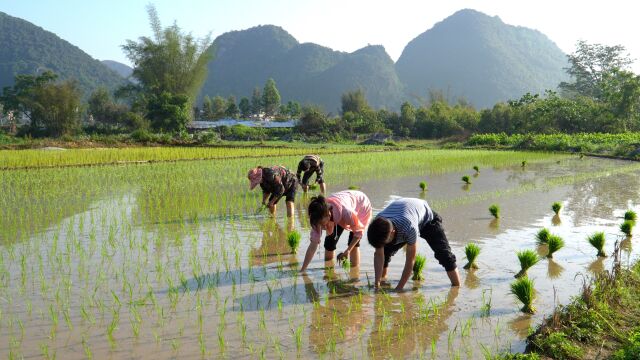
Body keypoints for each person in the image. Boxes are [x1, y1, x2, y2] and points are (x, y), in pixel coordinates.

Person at [367, 198, 460, 291]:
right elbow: (379, 254)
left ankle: (457, 288)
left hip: (427, 220)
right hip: (402, 213)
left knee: (444, 255)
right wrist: (376, 283)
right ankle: (383, 281)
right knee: (385, 252)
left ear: (392, 232)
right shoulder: (378, 225)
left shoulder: (409, 228)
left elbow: (410, 261)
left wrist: (399, 288)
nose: (381, 246)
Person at [300, 190, 372, 272]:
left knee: (353, 244)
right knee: (329, 243)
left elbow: (358, 233)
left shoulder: (347, 213)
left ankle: (354, 276)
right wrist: (303, 269)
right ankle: (329, 272)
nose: (323, 227)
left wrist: (348, 250)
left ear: (329, 215)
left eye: (323, 224)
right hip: (340, 204)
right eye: (319, 224)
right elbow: (312, 246)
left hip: (360, 205)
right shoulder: (317, 218)